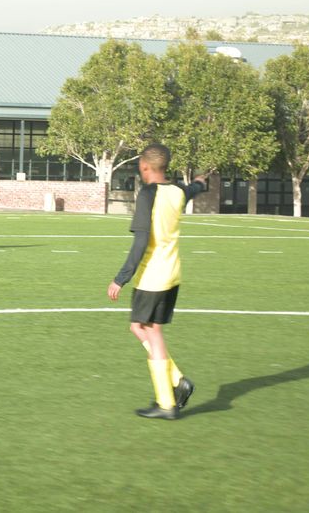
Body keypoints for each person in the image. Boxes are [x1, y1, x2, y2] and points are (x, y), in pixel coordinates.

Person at [107, 144, 206, 420]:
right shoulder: (177, 191)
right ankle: (177, 381)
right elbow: (193, 189)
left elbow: (141, 241)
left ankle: (166, 402)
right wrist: (200, 183)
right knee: (138, 327)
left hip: (153, 276)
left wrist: (120, 278)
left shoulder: (147, 194)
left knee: (151, 332)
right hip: (172, 273)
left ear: (144, 166)